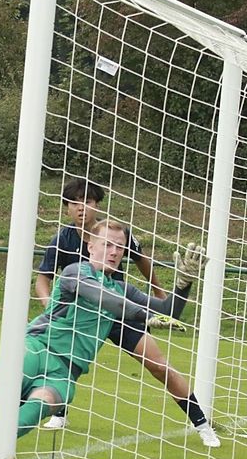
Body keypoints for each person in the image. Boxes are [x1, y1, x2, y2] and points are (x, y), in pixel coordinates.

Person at [0, 219, 221, 459]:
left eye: (119, 247)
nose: (113, 251)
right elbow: (101, 297)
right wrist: (143, 315)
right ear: (91, 246)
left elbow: (167, 311)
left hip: (67, 369)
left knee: (38, 408)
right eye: (106, 244)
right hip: (37, 347)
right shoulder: (74, 271)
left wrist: (183, 284)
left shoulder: (123, 289)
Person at [36, 178, 205, 436]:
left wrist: (160, 292)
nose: (82, 208)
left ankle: (202, 424)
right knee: (63, 362)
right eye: (74, 203)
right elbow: (43, 279)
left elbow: (141, 259)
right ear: (66, 208)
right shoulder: (61, 239)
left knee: (158, 365)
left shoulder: (115, 233)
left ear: (97, 206)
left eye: (88, 202)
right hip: (79, 317)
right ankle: (59, 414)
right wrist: (52, 306)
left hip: (119, 310)